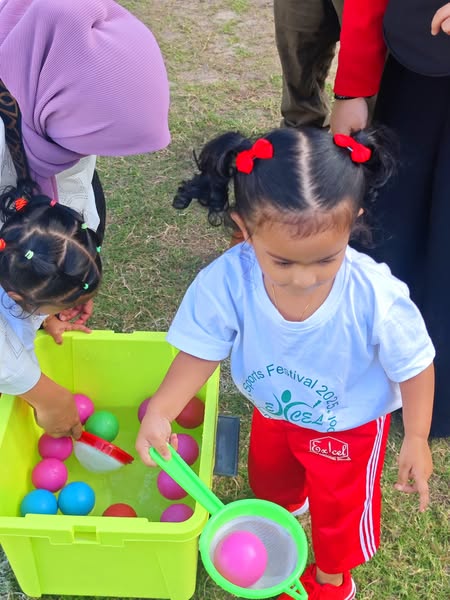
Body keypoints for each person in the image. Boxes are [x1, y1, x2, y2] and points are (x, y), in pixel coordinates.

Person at [136, 126, 435, 599]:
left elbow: (415, 365)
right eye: (283, 263)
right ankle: (283, 518)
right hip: (274, 410)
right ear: (244, 227)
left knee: (339, 506)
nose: (304, 279)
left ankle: (333, 577)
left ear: (352, 222)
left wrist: (415, 437)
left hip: (347, 425)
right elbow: (200, 351)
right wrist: (160, 410)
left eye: (325, 260)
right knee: (272, 480)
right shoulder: (227, 281)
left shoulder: (376, 296)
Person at [0, 0, 170, 324]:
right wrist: (34, 291)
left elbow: (75, 182)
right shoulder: (49, 98)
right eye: (83, 142)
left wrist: (69, 278)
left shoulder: (51, 83)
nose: (80, 155)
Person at [330, 1, 450, 438]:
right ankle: (371, 378)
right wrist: (352, 88)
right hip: (420, 64)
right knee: (393, 226)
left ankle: (436, 397)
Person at [0, 181, 102, 439]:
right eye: (63, 305)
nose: (69, 309)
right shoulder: (14, 337)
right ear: (19, 299)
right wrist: (48, 407)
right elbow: (19, 374)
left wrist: (48, 319)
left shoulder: (18, 268)